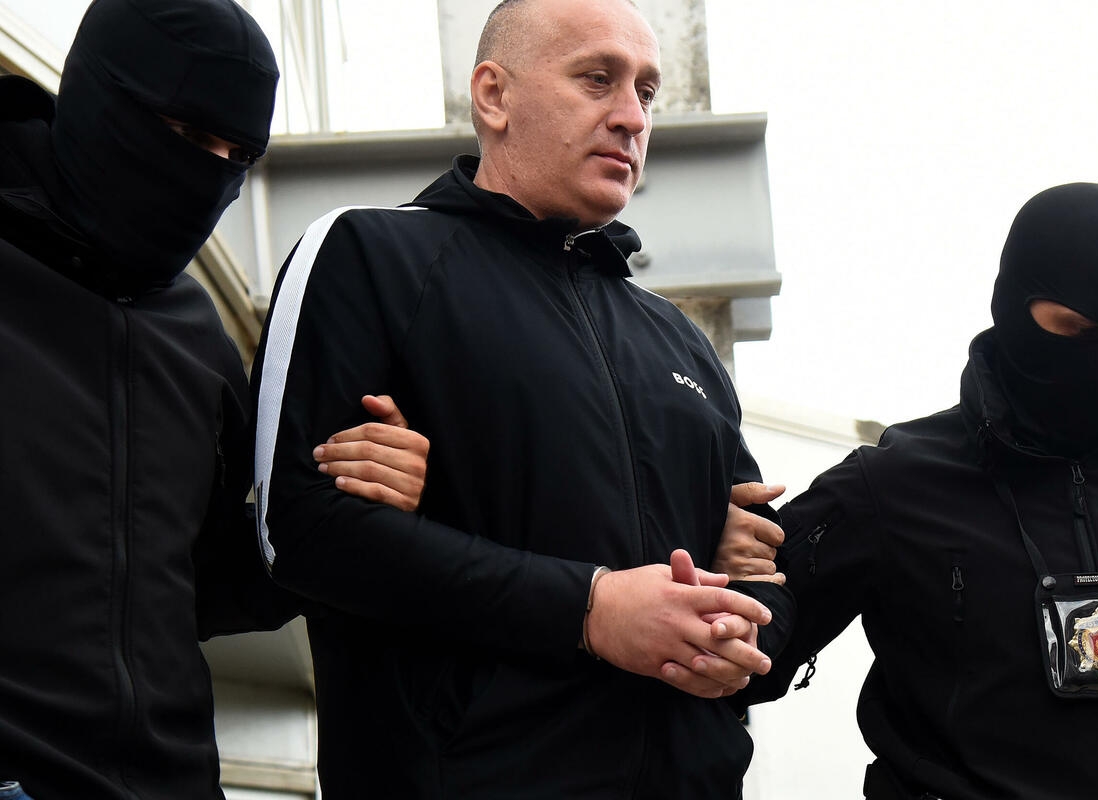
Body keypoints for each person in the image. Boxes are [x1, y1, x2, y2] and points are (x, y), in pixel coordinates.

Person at [251, 0, 794, 796]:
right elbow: (297, 531)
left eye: (646, 91)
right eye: (598, 79)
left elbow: (758, 573)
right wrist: (589, 609)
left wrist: (744, 623)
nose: (632, 117)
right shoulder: (370, 254)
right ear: (494, 95)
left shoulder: (677, 337)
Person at [0, 1, 428, 798]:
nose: (213, 175)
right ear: (105, 96)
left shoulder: (199, 337)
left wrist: (350, 495)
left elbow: (206, 586)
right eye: (192, 136)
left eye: (240, 155)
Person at [720, 183, 1098, 799]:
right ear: (1011, 306)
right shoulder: (896, 482)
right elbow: (740, 660)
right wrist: (726, 570)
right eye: (1076, 329)